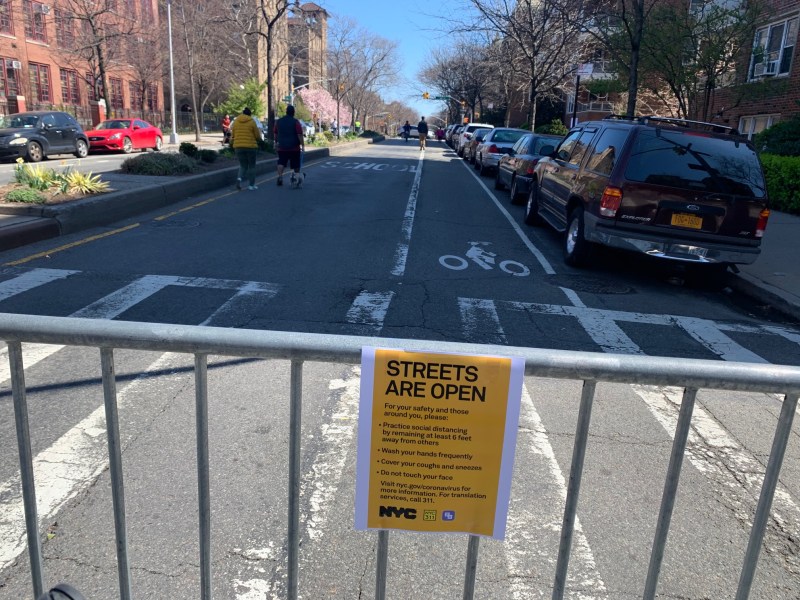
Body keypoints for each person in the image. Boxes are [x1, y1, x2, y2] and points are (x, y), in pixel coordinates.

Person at [229, 107, 261, 191]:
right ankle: (251, 185)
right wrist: (259, 140)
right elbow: (257, 135)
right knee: (252, 166)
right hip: (250, 147)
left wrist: (232, 143)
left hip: (238, 147)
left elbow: (233, 135)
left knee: (243, 165)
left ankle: (239, 179)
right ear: (250, 114)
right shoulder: (252, 121)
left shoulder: (236, 121)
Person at [274, 104, 305, 187]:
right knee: (296, 164)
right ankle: (296, 177)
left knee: (281, 162)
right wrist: (302, 145)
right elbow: (299, 134)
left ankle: (280, 177)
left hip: (282, 147)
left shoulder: (279, 121)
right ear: (293, 113)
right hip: (294, 147)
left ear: (286, 112)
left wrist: (276, 142)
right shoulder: (296, 122)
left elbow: (276, 133)